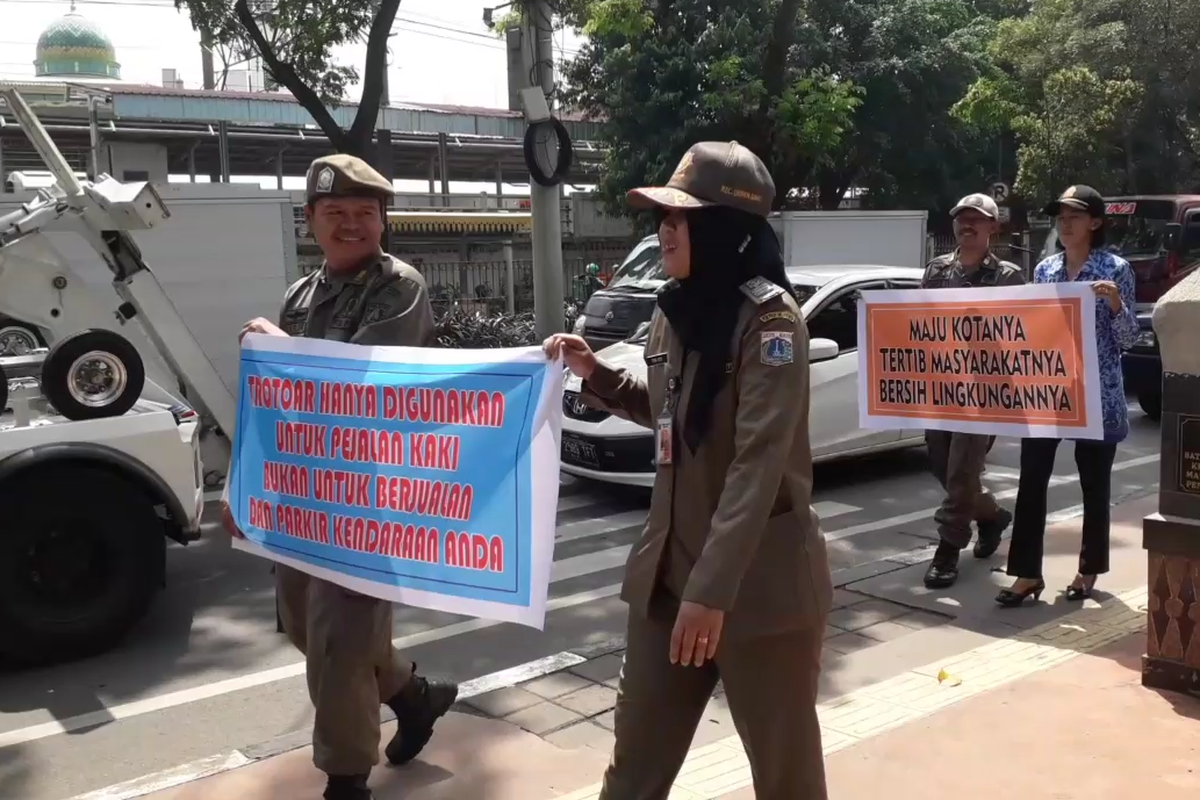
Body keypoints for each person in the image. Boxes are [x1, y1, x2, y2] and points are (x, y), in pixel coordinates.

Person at [543, 141, 833, 800]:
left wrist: (712, 591)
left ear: (723, 230)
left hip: (758, 589)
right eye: (662, 219)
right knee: (633, 771)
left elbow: (758, 459)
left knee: (786, 778)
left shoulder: (771, 321)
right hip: (669, 580)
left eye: (681, 218)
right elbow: (674, 413)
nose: (664, 231)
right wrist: (599, 379)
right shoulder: (676, 310)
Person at [221, 154, 459, 800]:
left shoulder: (400, 287)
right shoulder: (301, 297)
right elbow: (275, 400)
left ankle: (347, 781)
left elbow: (361, 379)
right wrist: (243, 489)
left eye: (365, 213)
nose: (352, 225)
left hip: (369, 494)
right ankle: (415, 695)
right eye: (336, 214)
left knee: (343, 644)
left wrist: (280, 347)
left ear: (383, 220)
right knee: (304, 626)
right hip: (305, 495)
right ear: (311, 221)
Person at [997, 185, 1138, 608]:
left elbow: (1128, 338)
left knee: (1094, 485)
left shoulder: (1115, 269)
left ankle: (1088, 569)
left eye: (1074, 216)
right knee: (1031, 480)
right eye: (1060, 216)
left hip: (1097, 394)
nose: (1065, 223)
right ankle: (1027, 573)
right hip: (1048, 394)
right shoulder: (1044, 271)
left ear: (1094, 222)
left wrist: (1115, 303)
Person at [919, 193, 1026, 589]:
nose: (967, 225)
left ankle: (948, 549)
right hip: (942, 389)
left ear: (992, 228)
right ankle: (993, 516)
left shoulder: (1009, 277)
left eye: (977, 220)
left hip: (984, 393)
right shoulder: (936, 271)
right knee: (943, 468)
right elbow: (917, 324)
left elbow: (1025, 335)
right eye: (961, 219)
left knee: (963, 469)